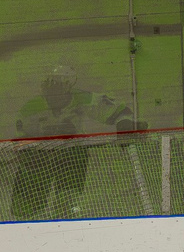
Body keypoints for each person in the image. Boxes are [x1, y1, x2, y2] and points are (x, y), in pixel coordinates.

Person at [10, 64, 136, 221]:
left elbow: (121, 111)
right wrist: (28, 155)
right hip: (38, 158)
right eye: (49, 90)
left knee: (66, 204)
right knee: (24, 208)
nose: (53, 95)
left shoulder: (82, 99)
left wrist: (124, 123)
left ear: (67, 88)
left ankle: (64, 225)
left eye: (57, 89)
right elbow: (19, 140)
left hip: (71, 155)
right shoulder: (31, 108)